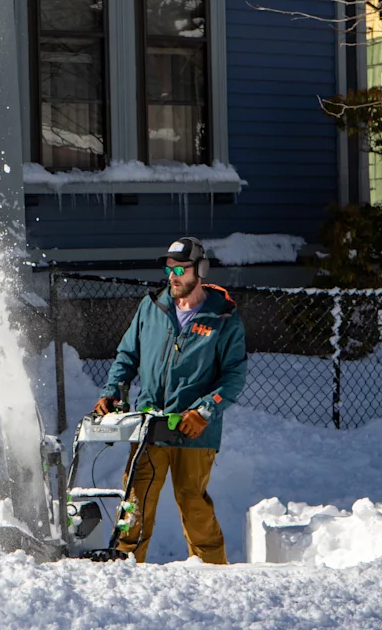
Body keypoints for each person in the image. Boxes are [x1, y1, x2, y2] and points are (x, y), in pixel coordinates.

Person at [92, 237, 247, 564]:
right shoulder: (152, 307)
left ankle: (212, 573)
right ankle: (124, 567)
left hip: (194, 429)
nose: (172, 275)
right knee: (136, 498)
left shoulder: (223, 317)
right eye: (168, 268)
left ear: (200, 270)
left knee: (193, 502)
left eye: (180, 268)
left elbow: (233, 376)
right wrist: (113, 391)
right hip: (150, 424)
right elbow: (126, 356)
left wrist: (205, 410)